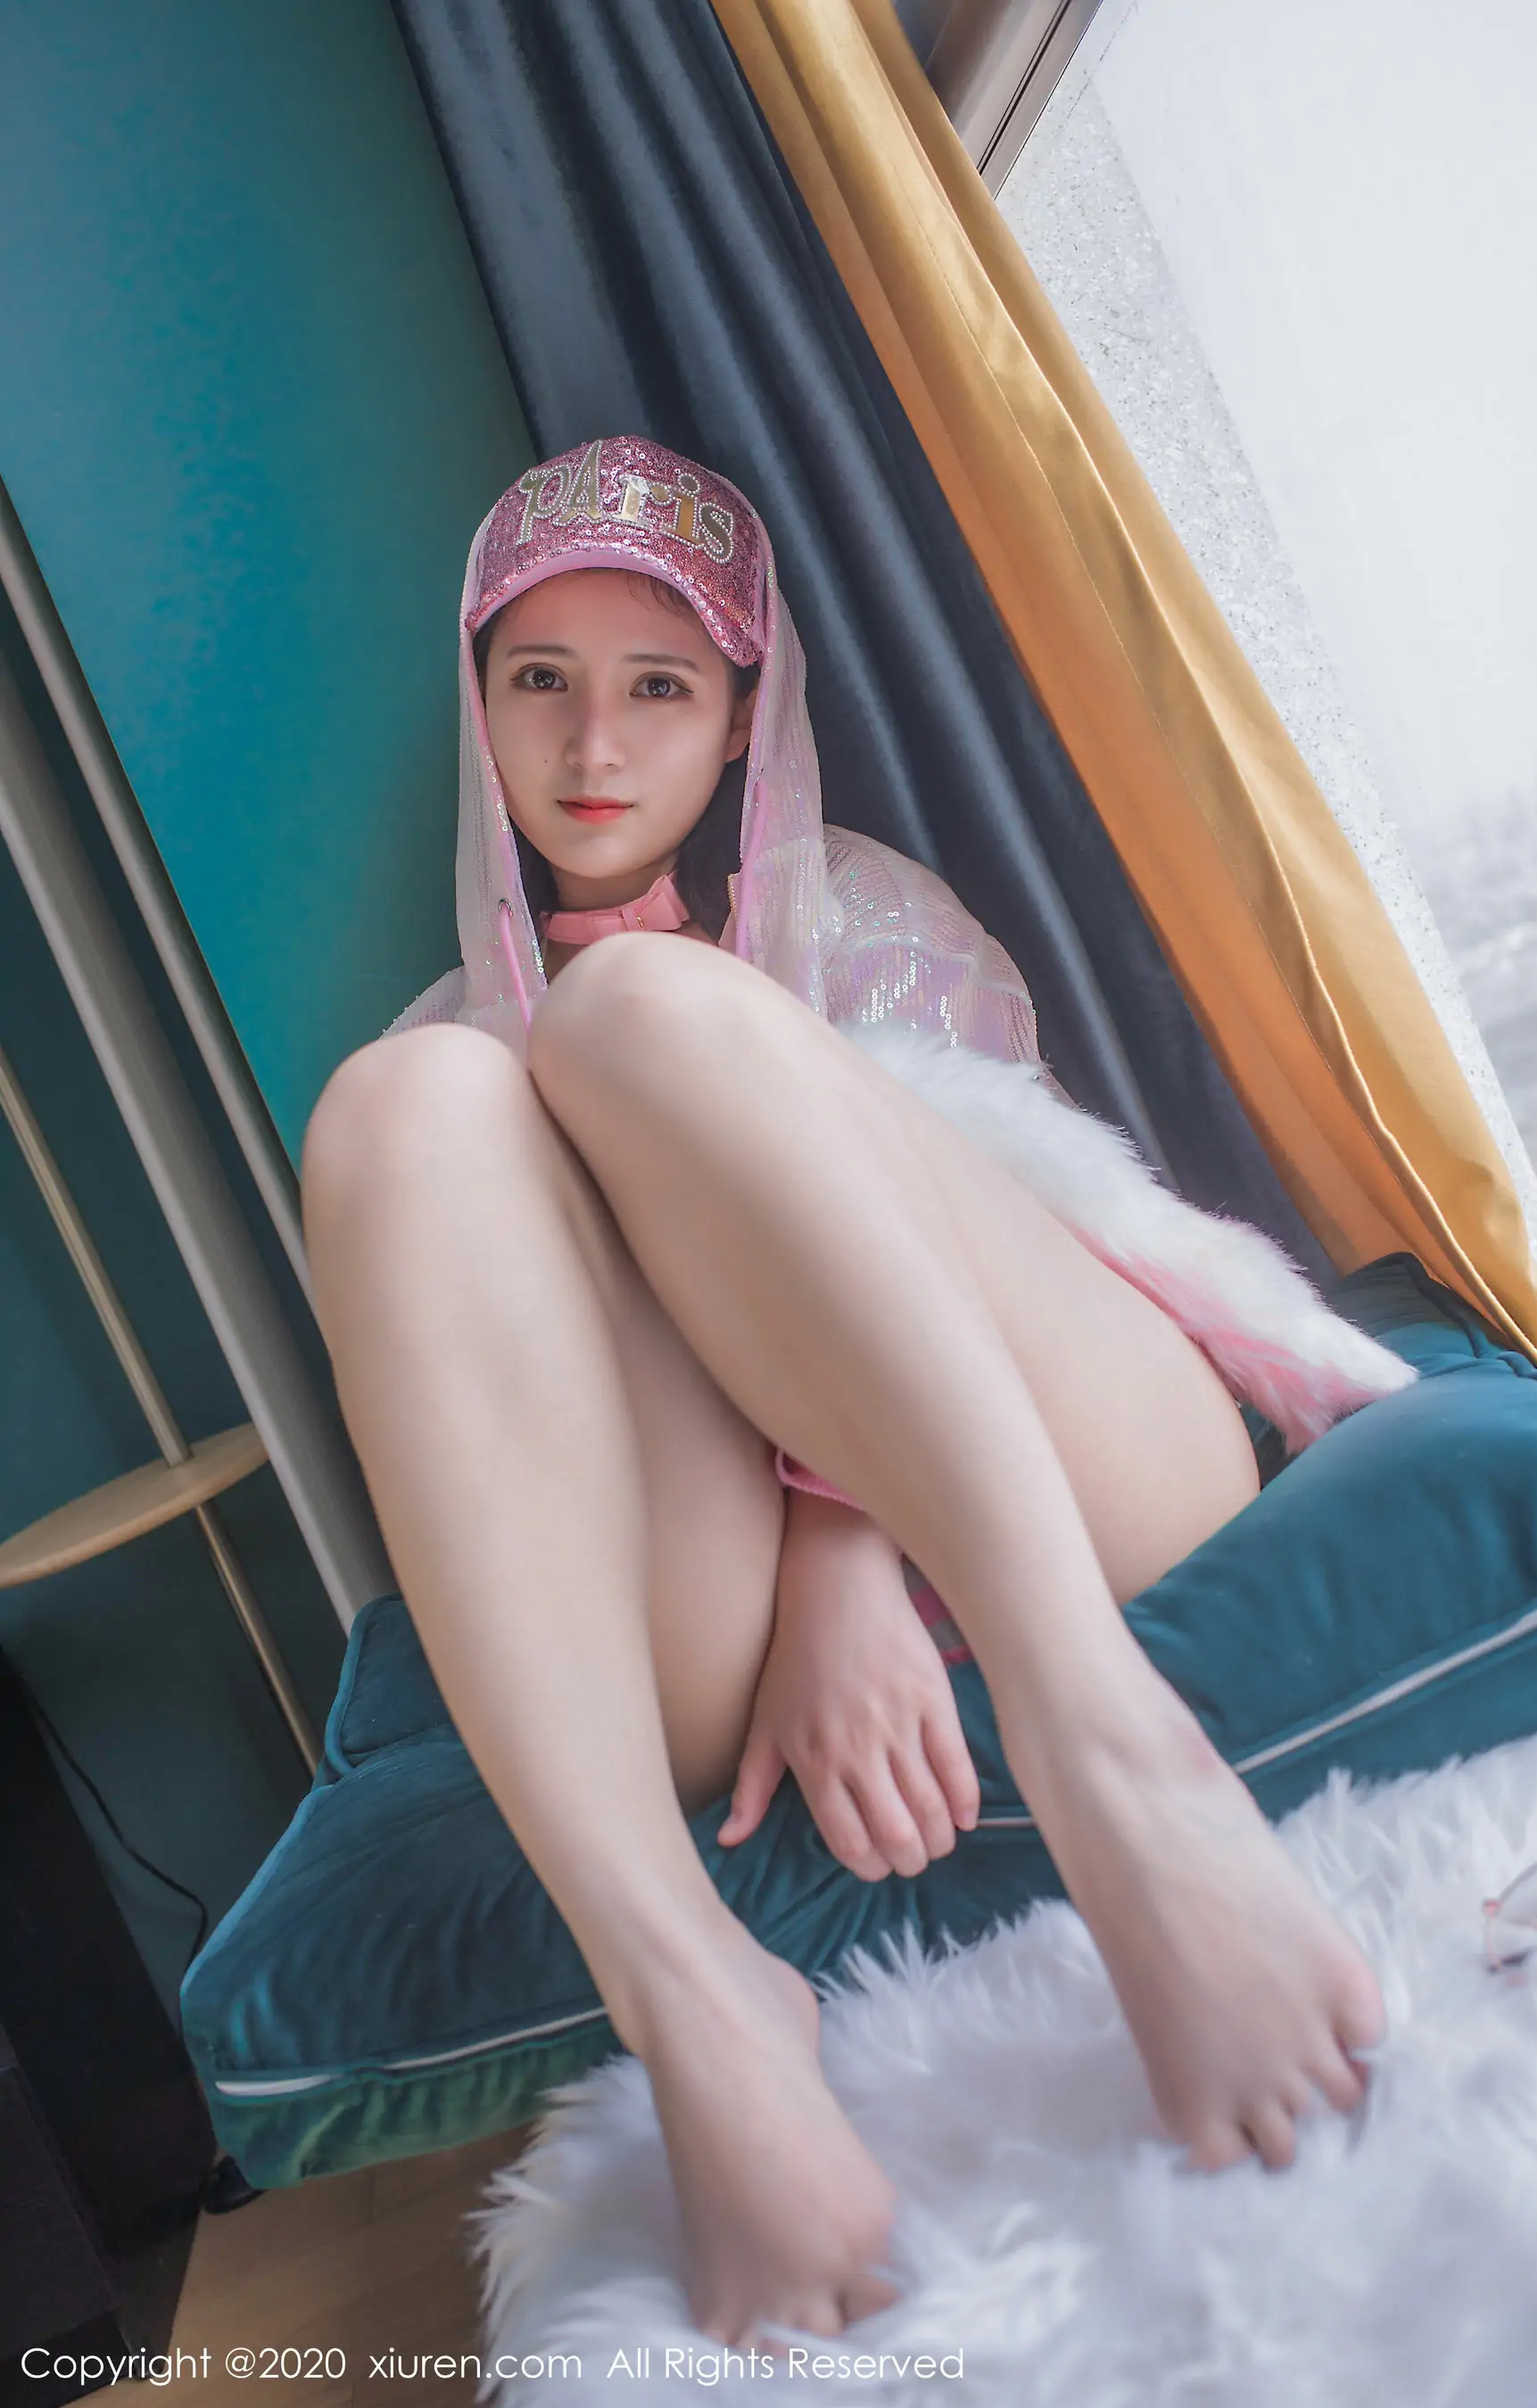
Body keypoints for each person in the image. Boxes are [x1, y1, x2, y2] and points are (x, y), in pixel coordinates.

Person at [300, 437, 1394, 2347]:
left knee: (641, 1011)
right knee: (400, 1106)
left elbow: (994, 1247)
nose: (592, 747)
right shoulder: (448, 1077)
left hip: (1064, 1481)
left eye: (659, 686)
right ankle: (692, 1996)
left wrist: (844, 1553)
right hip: (706, 1626)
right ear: (480, 710)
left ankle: (1115, 1760)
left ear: (743, 716)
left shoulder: (879, 921)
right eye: (539, 681)